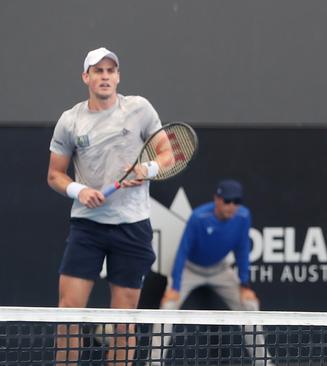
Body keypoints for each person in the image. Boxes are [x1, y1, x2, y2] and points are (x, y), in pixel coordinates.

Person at [47, 46, 164, 365]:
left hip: (132, 228)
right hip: (87, 228)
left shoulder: (140, 109)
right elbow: (55, 175)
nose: (105, 76)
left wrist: (148, 169)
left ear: (118, 76)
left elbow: (169, 154)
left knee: (124, 321)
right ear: (86, 77)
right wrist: (78, 190)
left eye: (110, 71)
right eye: (98, 71)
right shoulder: (70, 121)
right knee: (68, 315)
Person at [149, 180, 273, 366]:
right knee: (167, 308)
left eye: (236, 201)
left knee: (250, 304)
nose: (231, 206)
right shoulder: (199, 217)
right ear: (217, 199)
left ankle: (264, 362)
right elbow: (183, 251)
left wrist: (244, 285)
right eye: (227, 201)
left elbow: (242, 250)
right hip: (190, 269)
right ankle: (153, 363)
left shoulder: (243, 216)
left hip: (220, 269)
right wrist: (174, 287)